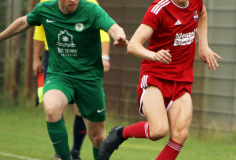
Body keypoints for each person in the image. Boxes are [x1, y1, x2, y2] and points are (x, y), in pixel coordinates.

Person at [0, 0, 128, 160]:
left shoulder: (92, 10)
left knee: (98, 138)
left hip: (89, 79)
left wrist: (120, 36)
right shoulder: (45, 9)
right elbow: (23, 22)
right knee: (51, 110)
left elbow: (114, 28)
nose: (73, 0)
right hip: (60, 75)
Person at [99, 0, 222, 160]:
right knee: (158, 131)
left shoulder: (195, 2)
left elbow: (202, 13)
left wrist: (203, 45)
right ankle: (120, 133)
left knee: (181, 134)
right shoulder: (159, 9)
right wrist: (154, 55)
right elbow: (133, 45)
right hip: (155, 77)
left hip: (182, 79)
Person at [32, 0, 111, 159]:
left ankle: (75, 151)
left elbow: (104, 30)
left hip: (82, 60)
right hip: (54, 58)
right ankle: (61, 153)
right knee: (53, 107)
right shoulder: (45, 4)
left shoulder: (89, 4)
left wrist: (104, 56)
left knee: (81, 112)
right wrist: (36, 58)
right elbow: (38, 30)